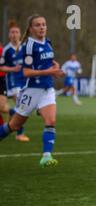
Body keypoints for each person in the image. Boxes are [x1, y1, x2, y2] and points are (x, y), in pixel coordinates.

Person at [0, 14, 64, 167]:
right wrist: (49, 71)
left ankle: (46, 156)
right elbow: (26, 72)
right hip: (30, 91)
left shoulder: (48, 42)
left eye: (44, 24)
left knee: (51, 121)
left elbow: (48, 62)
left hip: (47, 89)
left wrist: (55, 67)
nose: (42, 27)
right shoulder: (29, 46)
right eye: (38, 25)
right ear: (30, 28)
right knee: (13, 126)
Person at [0, 21, 29, 142]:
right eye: (12, 32)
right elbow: (1, 67)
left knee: (20, 107)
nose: (14, 34)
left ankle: (18, 130)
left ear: (20, 34)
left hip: (24, 82)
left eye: (16, 32)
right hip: (10, 82)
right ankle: (18, 130)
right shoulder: (6, 50)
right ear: (9, 35)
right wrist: (13, 69)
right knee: (13, 107)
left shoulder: (24, 48)